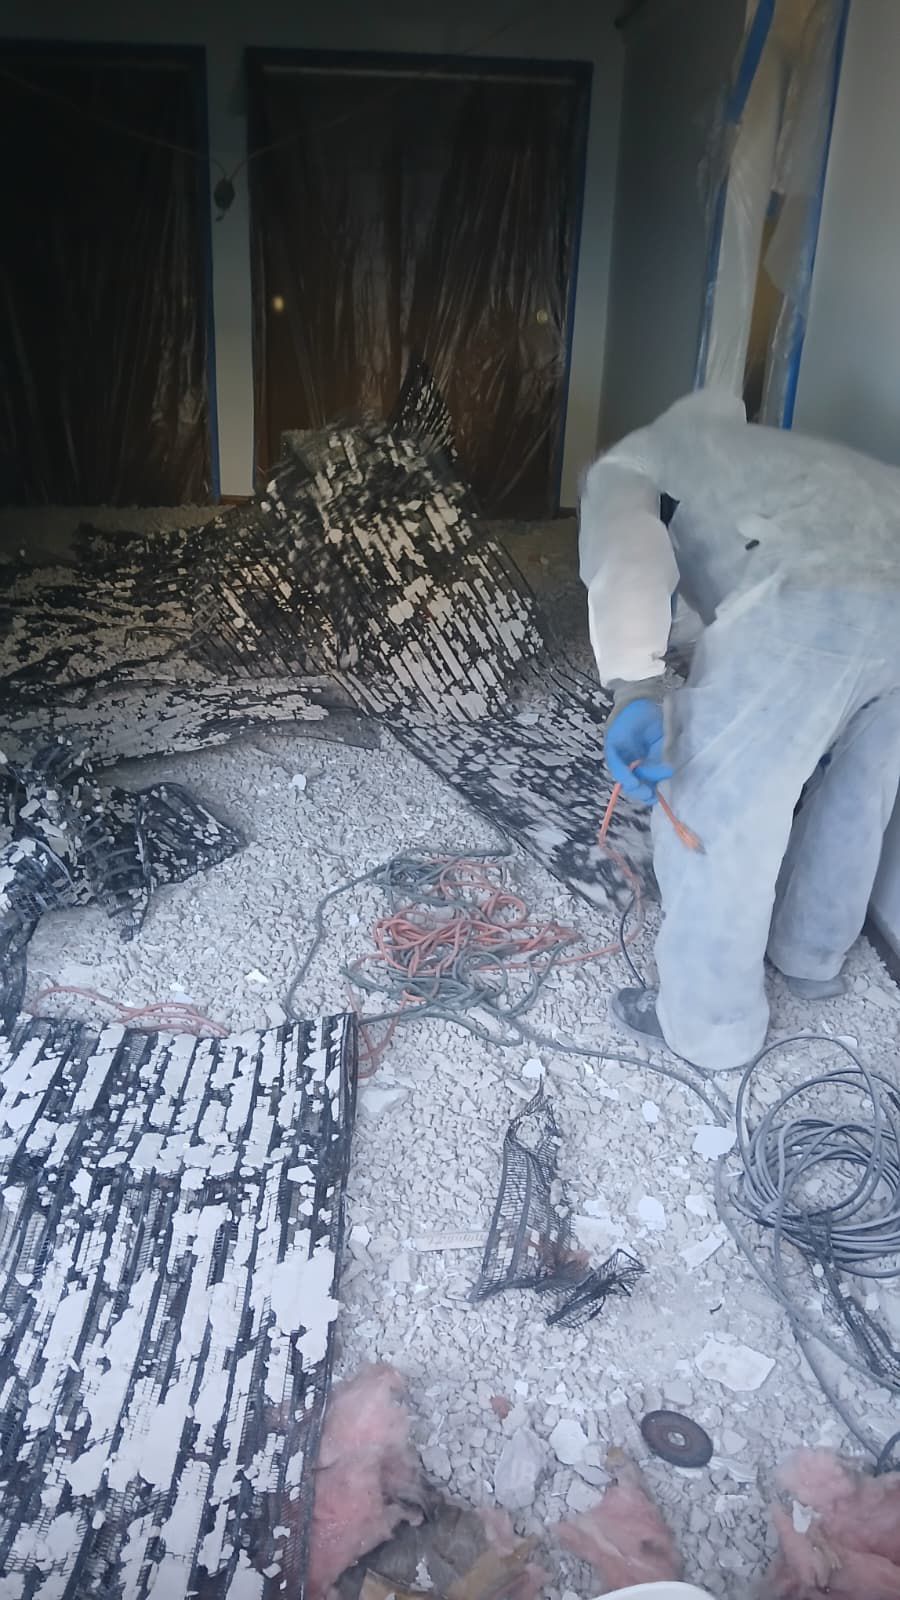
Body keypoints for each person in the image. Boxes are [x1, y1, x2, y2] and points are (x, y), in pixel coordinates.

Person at [579, 388, 900, 1073]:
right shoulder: (767, 460)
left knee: (719, 805)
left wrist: (636, 689)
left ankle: (709, 1027)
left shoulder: (641, 458)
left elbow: (629, 553)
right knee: (862, 788)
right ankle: (812, 957)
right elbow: (713, 597)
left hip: (814, 593)